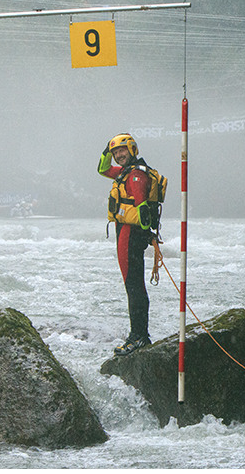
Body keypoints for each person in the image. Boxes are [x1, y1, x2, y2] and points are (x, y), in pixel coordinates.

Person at [98, 133, 157, 356]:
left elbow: (141, 207)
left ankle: (139, 337)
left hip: (130, 235)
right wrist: (106, 150)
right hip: (125, 232)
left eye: (122, 151)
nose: (118, 156)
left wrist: (143, 235)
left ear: (132, 149)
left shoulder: (135, 176)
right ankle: (139, 334)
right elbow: (102, 169)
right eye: (115, 153)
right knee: (133, 285)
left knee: (133, 286)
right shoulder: (124, 172)